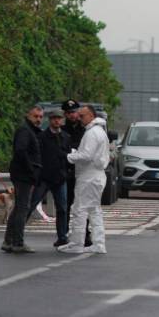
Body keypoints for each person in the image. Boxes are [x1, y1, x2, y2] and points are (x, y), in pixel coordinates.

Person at [58, 105, 110, 254]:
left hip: (89, 176)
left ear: (91, 116)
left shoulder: (92, 133)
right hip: (96, 175)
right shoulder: (99, 131)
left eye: (82, 116)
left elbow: (86, 156)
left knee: (79, 209)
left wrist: (68, 156)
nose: (79, 118)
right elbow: (89, 153)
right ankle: (98, 243)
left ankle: (77, 243)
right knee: (94, 210)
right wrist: (76, 153)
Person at [28, 109, 71, 247]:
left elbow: (69, 156)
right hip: (44, 178)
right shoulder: (42, 137)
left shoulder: (66, 137)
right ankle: (17, 234)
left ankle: (62, 237)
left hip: (60, 178)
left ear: (62, 120)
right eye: (54, 118)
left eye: (59, 118)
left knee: (62, 209)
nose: (57, 121)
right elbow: (37, 156)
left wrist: (66, 172)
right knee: (31, 205)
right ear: (50, 120)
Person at [2, 106, 43, 253]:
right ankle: (17, 242)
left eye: (40, 117)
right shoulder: (25, 131)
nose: (38, 119)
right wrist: (31, 171)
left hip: (23, 174)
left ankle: (8, 241)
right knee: (22, 208)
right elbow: (21, 151)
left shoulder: (31, 131)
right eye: (35, 116)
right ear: (28, 115)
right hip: (23, 175)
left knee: (19, 207)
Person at [61, 99, 92, 247]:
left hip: (82, 171)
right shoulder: (62, 130)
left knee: (82, 204)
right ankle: (63, 235)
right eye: (68, 113)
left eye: (74, 112)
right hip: (67, 171)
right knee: (65, 205)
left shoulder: (86, 129)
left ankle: (85, 234)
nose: (72, 115)